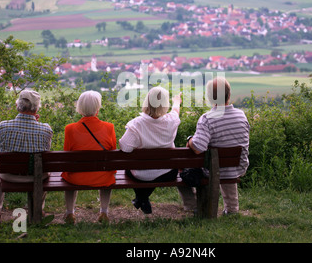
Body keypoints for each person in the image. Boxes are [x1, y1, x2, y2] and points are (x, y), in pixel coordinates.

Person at [185, 76, 250, 215]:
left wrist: (190, 140)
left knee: (192, 167)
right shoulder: (241, 115)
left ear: (209, 97)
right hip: (239, 166)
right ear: (229, 94)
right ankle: (232, 209)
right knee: (224, 166)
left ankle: (196, 205)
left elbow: (198, 148)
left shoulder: (207, 119)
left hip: (215, 170)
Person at [0, 90, 53, 224]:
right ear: (36, 109)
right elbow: (46, 150)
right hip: (36, 176)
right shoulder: (46, 130)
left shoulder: (2, 127)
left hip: (8, 175)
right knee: (42, 167)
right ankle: (38, 210)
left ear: (18, 106)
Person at [119, 86, 183, 214]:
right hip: (168, 173)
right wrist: (177, 101)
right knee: (155, 171)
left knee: (135, 170)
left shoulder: (136, 124)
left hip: (140, 175)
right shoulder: (172, 121)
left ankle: (141, 198)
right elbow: (176, 111)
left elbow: (125, 148)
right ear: (165, 105)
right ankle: (142, 199)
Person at [61, 90, 117, 224]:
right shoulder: (109, 127)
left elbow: (67, 155)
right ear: (98, 108)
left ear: (80, 108)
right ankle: (104, 212)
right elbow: (112, 151)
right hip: (102, 176)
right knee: (108, 174)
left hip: (76, 177)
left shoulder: (70, 129)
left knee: (68, 174)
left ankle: (70, 213)